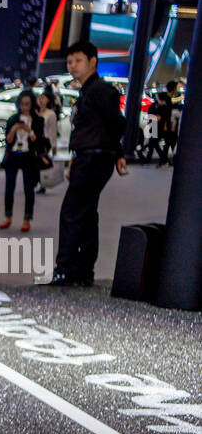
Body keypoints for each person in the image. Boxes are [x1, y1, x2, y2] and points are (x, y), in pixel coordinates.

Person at [46, 41, 129, 287]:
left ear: (93, 61)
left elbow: (118, 124)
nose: (72, 66)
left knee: (72, 213)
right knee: (86, 214)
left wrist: (117, 153)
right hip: (87, 157)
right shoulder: (88, 91)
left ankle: (65, 270)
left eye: (78, 61)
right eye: (70, 62)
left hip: (94, 158)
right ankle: (82, 272)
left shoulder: (101, 91)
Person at [0, 90, 40, 232]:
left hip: (28, 157)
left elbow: (38, 142)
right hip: (13, 156)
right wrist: (15, 129)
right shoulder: (13, 119)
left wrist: (30, 131)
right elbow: (8, 140)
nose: (25, 107)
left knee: (29, 189)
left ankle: (26, 219)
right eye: (22, 104)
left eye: (27, 104)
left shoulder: (37, 120)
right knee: (9, 187)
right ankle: (8, 216)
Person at [34, 86, 60, 194]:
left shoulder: (51, 114)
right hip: (34, 140)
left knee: (41, 162)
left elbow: (53, 131)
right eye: (39, 97)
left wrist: (54, 146)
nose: (41, 100)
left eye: (43, 98)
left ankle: (41, 183)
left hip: (45, 142)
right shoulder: (34, 112)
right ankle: (36, 182)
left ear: (48, 100)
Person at [146, 90, 177, 167]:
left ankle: (163, 159)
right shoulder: (165, 107)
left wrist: (153, 117)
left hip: (156, 127)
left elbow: (157, 118)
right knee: (153, 144)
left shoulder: (160, 107)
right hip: (157, 127)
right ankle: (160, 160)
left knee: (154, 143)